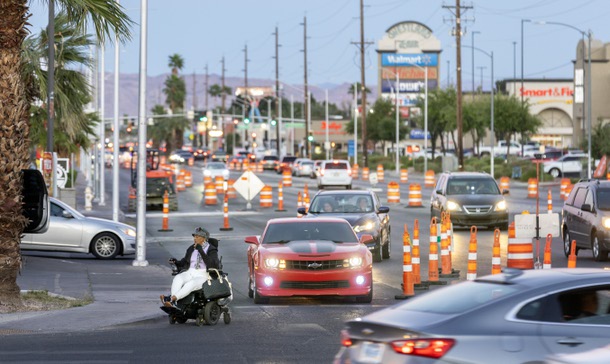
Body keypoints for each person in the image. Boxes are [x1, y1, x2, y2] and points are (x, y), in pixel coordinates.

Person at [160, 227, 220, 307]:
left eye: (197, 237)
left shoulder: (211, 249)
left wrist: (201, 251)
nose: (195, 238)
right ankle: (174, 303)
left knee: (191, 284)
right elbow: (185, 261)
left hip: (203, 275)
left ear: (204, 238)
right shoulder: (192, 248)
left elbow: (212, 264)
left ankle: (172, 299)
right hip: (190, 272)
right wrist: (176, 262)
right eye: (194, 236)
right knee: (178, 278)